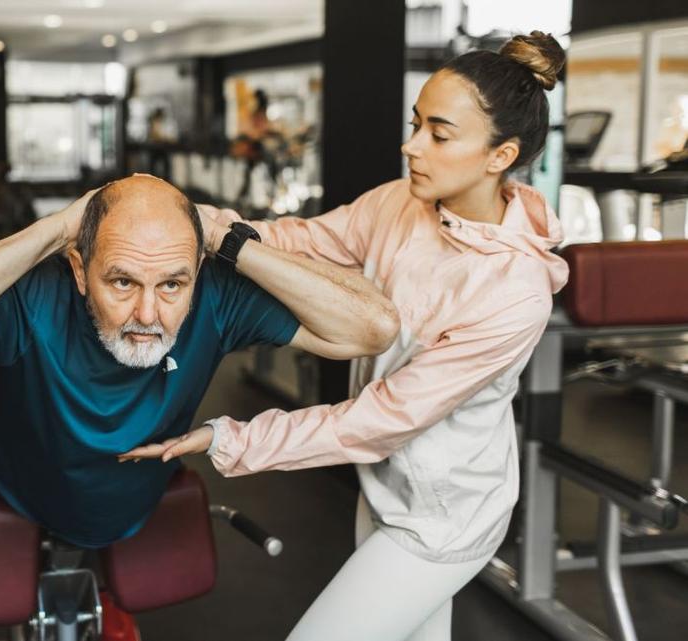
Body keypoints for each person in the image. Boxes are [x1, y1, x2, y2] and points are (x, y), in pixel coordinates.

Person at [120, 32, 570, 641]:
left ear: (500, 156)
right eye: (415, 124)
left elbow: (382, 419)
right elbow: (303, 240)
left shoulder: (514, 290)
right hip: (383, 484)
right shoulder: (399, 205)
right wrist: (200, 224)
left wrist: (229, 438)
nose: (411, 145)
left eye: (438, 135)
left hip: (445, 516)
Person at [0, 174, 398, 550]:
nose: (147, 313)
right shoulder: (37, 292)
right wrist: (57, 229)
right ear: (80, 271)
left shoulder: (216, 293)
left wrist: (225, 239)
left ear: (196, 268)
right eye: (122, 281)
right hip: (12, 493)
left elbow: (373, 328)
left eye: (172, 283)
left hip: (131, 509)